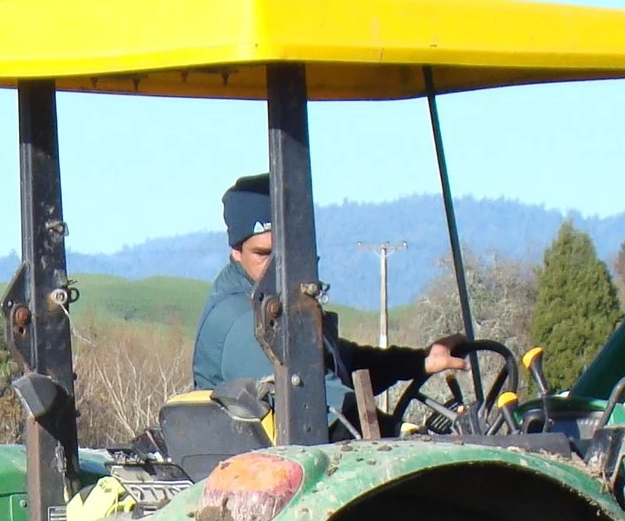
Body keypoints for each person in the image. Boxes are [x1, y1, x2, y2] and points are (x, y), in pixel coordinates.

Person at [191, 174, 474, 425]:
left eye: (287, 253)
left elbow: (340, 364)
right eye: (263, 254)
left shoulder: (281, 307)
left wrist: (420, 361)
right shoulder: (245, 322)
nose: (276, 267)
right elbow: (322, 407)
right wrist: (404, 436)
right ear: (236, 253)